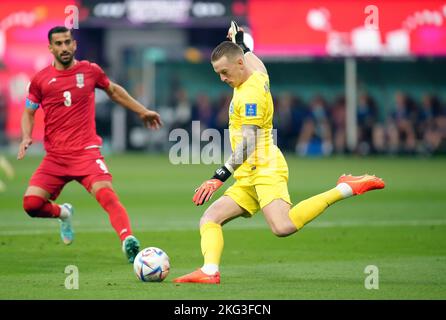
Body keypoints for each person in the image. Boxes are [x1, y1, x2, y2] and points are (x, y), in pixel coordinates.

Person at [173, 22, 385, 284]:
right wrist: (241, 43)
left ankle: (345, 188)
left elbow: (249, 141)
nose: (222, 78)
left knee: (282, 227)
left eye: (224, 72)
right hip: (248, 173)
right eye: (218, 73)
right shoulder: (255, 74)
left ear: (239, 64)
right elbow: (255, 62)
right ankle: (209, 271)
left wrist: (219, 175)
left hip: (264, 167)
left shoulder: (250, 94)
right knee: (210, 217)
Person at [17, 26, 162, 263]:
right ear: (50, 48)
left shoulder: (90, 71)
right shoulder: (40, 80)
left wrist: (142, 111)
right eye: (59, 44)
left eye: (67, 42)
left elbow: (114, 91)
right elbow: (28, 112)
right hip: (55, 157)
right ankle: (63, 212)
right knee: (31, 204)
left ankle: (128, 240)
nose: (64, 48)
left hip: (86, 152)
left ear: (74, 44)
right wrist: (26, 136)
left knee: (107, 195)